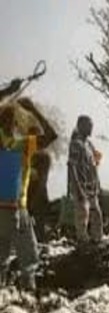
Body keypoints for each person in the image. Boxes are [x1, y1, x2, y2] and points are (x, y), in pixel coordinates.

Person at [0, 98, 56, 291]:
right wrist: (33, 109)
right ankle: (28, 299)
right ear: (15, 125)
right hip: (16, 209)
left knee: (1, 259)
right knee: (29, 259)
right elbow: (51, 135)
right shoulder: (21, 145)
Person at [67, 115, 103, 244]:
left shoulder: (88, 144)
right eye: (89, 126)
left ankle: (97, 242)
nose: (91, 128)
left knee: (97, 216)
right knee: (83, 218)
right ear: (81, 126)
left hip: (92, 188)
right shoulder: (76, 144)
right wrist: (78, 188)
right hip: (81, 188)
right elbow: (72, 167)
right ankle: (83, 245)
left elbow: (93, 164)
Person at [27, 143, 51, 242]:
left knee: (39, 225)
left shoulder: (43, 156)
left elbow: (42, 181)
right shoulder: (32, 155)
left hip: (37, 196)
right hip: (31, 195)